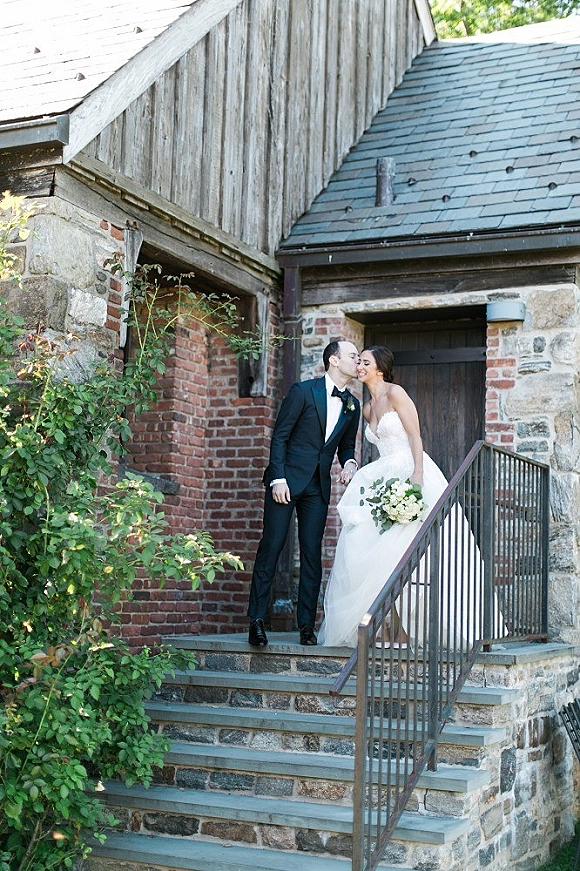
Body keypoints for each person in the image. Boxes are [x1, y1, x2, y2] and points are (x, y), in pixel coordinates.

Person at [318, 345, 451, 648]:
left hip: (409, 470)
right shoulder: (366, 408)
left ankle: (404, 628)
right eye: (358, 361)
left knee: (403, 551)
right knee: (369, 549)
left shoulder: (396, 393)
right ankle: (385, 624)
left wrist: (417, 474)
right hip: (382, 477)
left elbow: (415, 435)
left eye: (365, 362)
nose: (359, 366)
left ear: (379, 368)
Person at [247, 339, 361, 648]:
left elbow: (346, 446)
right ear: (333, 360)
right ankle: (256, 620)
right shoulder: (302, 391)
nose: (357, 361)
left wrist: (350, 463)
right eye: (352, 356)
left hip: (317, 487)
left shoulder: (352, 405)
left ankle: (306, 626)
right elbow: (280, 436)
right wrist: (278, 478)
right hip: (285, 482)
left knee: (312, 554)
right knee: (271, 546)